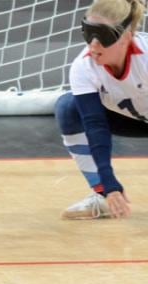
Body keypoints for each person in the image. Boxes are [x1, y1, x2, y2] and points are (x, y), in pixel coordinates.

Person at [54, 0, 146, 220]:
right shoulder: (83, 67)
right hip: (131, 119)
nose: (94, 45)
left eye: (103, 36)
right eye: (89, 33)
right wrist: (109, 183)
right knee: (68, 107)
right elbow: (95, 126)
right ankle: (103, 198)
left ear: (126, 37)